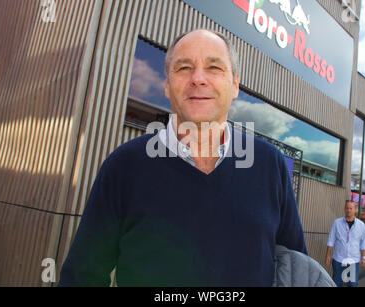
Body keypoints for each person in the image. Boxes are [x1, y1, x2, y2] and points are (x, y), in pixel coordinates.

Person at [58, 29, 307, 286]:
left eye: (214, 67)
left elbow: (298, 273)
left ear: (235, 85)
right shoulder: (124, 166)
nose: (198, 79)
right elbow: (81, 277)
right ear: (167, 85)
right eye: (184, 68)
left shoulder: (270, 165)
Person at [325, 200, 365, 287]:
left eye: (351, 208)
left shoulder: (361, 225)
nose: (348, 210)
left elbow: (364, 242)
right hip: (338, 259)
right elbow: (331, 240)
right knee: (337, 283)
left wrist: (363, 257)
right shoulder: (337, 223)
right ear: (344, 209)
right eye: (347, 208)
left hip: (353, 260)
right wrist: (328, 256)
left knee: (352, 284)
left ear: (355, 210)